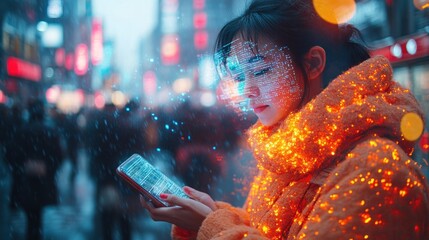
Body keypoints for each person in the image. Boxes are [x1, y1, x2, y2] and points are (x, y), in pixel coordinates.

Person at [140, 0, 429, 239]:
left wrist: (214, 226)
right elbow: (273, 229)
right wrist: (212, 214)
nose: (247, 90)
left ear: (314, 63)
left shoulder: (376, 169)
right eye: (240, 76)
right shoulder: (292, 153)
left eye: (262, 71)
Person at [5, 99, 63, 240]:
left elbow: (10, 155)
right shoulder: (50, 131)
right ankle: (36, 234)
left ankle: (32, 235)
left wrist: (21, 169)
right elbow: (59, 156)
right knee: (37, 215)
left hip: (25, 181)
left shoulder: (21, 131)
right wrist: (48, 169)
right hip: (44, 180)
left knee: (30, 214)